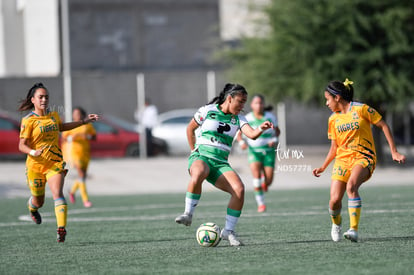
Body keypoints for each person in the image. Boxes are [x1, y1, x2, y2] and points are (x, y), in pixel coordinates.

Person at [174, 83, 274, 246]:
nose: (242, 106)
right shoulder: (208, 110)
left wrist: (261, 128)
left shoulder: (239, 118)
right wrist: (194, 151)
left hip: (220, 163)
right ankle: (188, 214)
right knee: (199, 173)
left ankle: (228, 231)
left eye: (244, 102)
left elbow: (251, 134)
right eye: (240, 101)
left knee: (239, 190)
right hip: (202, 156)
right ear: (229, 98)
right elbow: (190, 129)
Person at [312, 78, 406, 242]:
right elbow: (334, 148)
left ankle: (353, 229)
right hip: (342, 160)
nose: (326, 103)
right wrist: (323, 166)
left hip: (364, 157)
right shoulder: (333, 119)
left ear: (337, 97)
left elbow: (383, 125)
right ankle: (337, 224)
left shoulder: (361, 109)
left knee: (352, 186)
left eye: (327, 99)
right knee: (334, 201)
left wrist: (394, 152)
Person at [18, 83, 99, 243]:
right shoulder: (28, 121)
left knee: (57, 194)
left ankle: (61, 228)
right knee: (38, 201)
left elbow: (62, 127)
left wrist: (84, 122)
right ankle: (32, 208)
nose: (44, 99)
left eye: (46, 97)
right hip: (35, 166)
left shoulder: (53, 115)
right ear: (33, 100)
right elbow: (21, 145)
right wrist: (33, 152)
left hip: (54, 163)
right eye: (40, 97)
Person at [236, 94, 280, 213]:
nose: (259, 105)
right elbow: (239, 134)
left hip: (268, 152)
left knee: (269, 181)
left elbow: (277, 131)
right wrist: (241, 143)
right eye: (256, 103)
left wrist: (274, 140)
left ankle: (265, 181)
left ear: (263, 104)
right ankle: (261, 204)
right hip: (254, 151)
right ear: (251, 105)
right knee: (256, 178)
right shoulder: (248, 118)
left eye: (261, 103)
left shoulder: (270, 117)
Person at [61, 107, 96, 208]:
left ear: (82, 115)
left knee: (82, 176)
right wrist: (72, 138)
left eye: (77, 113)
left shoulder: (87, 125)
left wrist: (87, 137)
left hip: (85, 153)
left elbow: (94, 136)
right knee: (81, 174)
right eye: (74, 113)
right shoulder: (71, 125)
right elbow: (63, 138)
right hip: (74, 153)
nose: (75, 115)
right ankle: (86, 200)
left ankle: (72, 192)